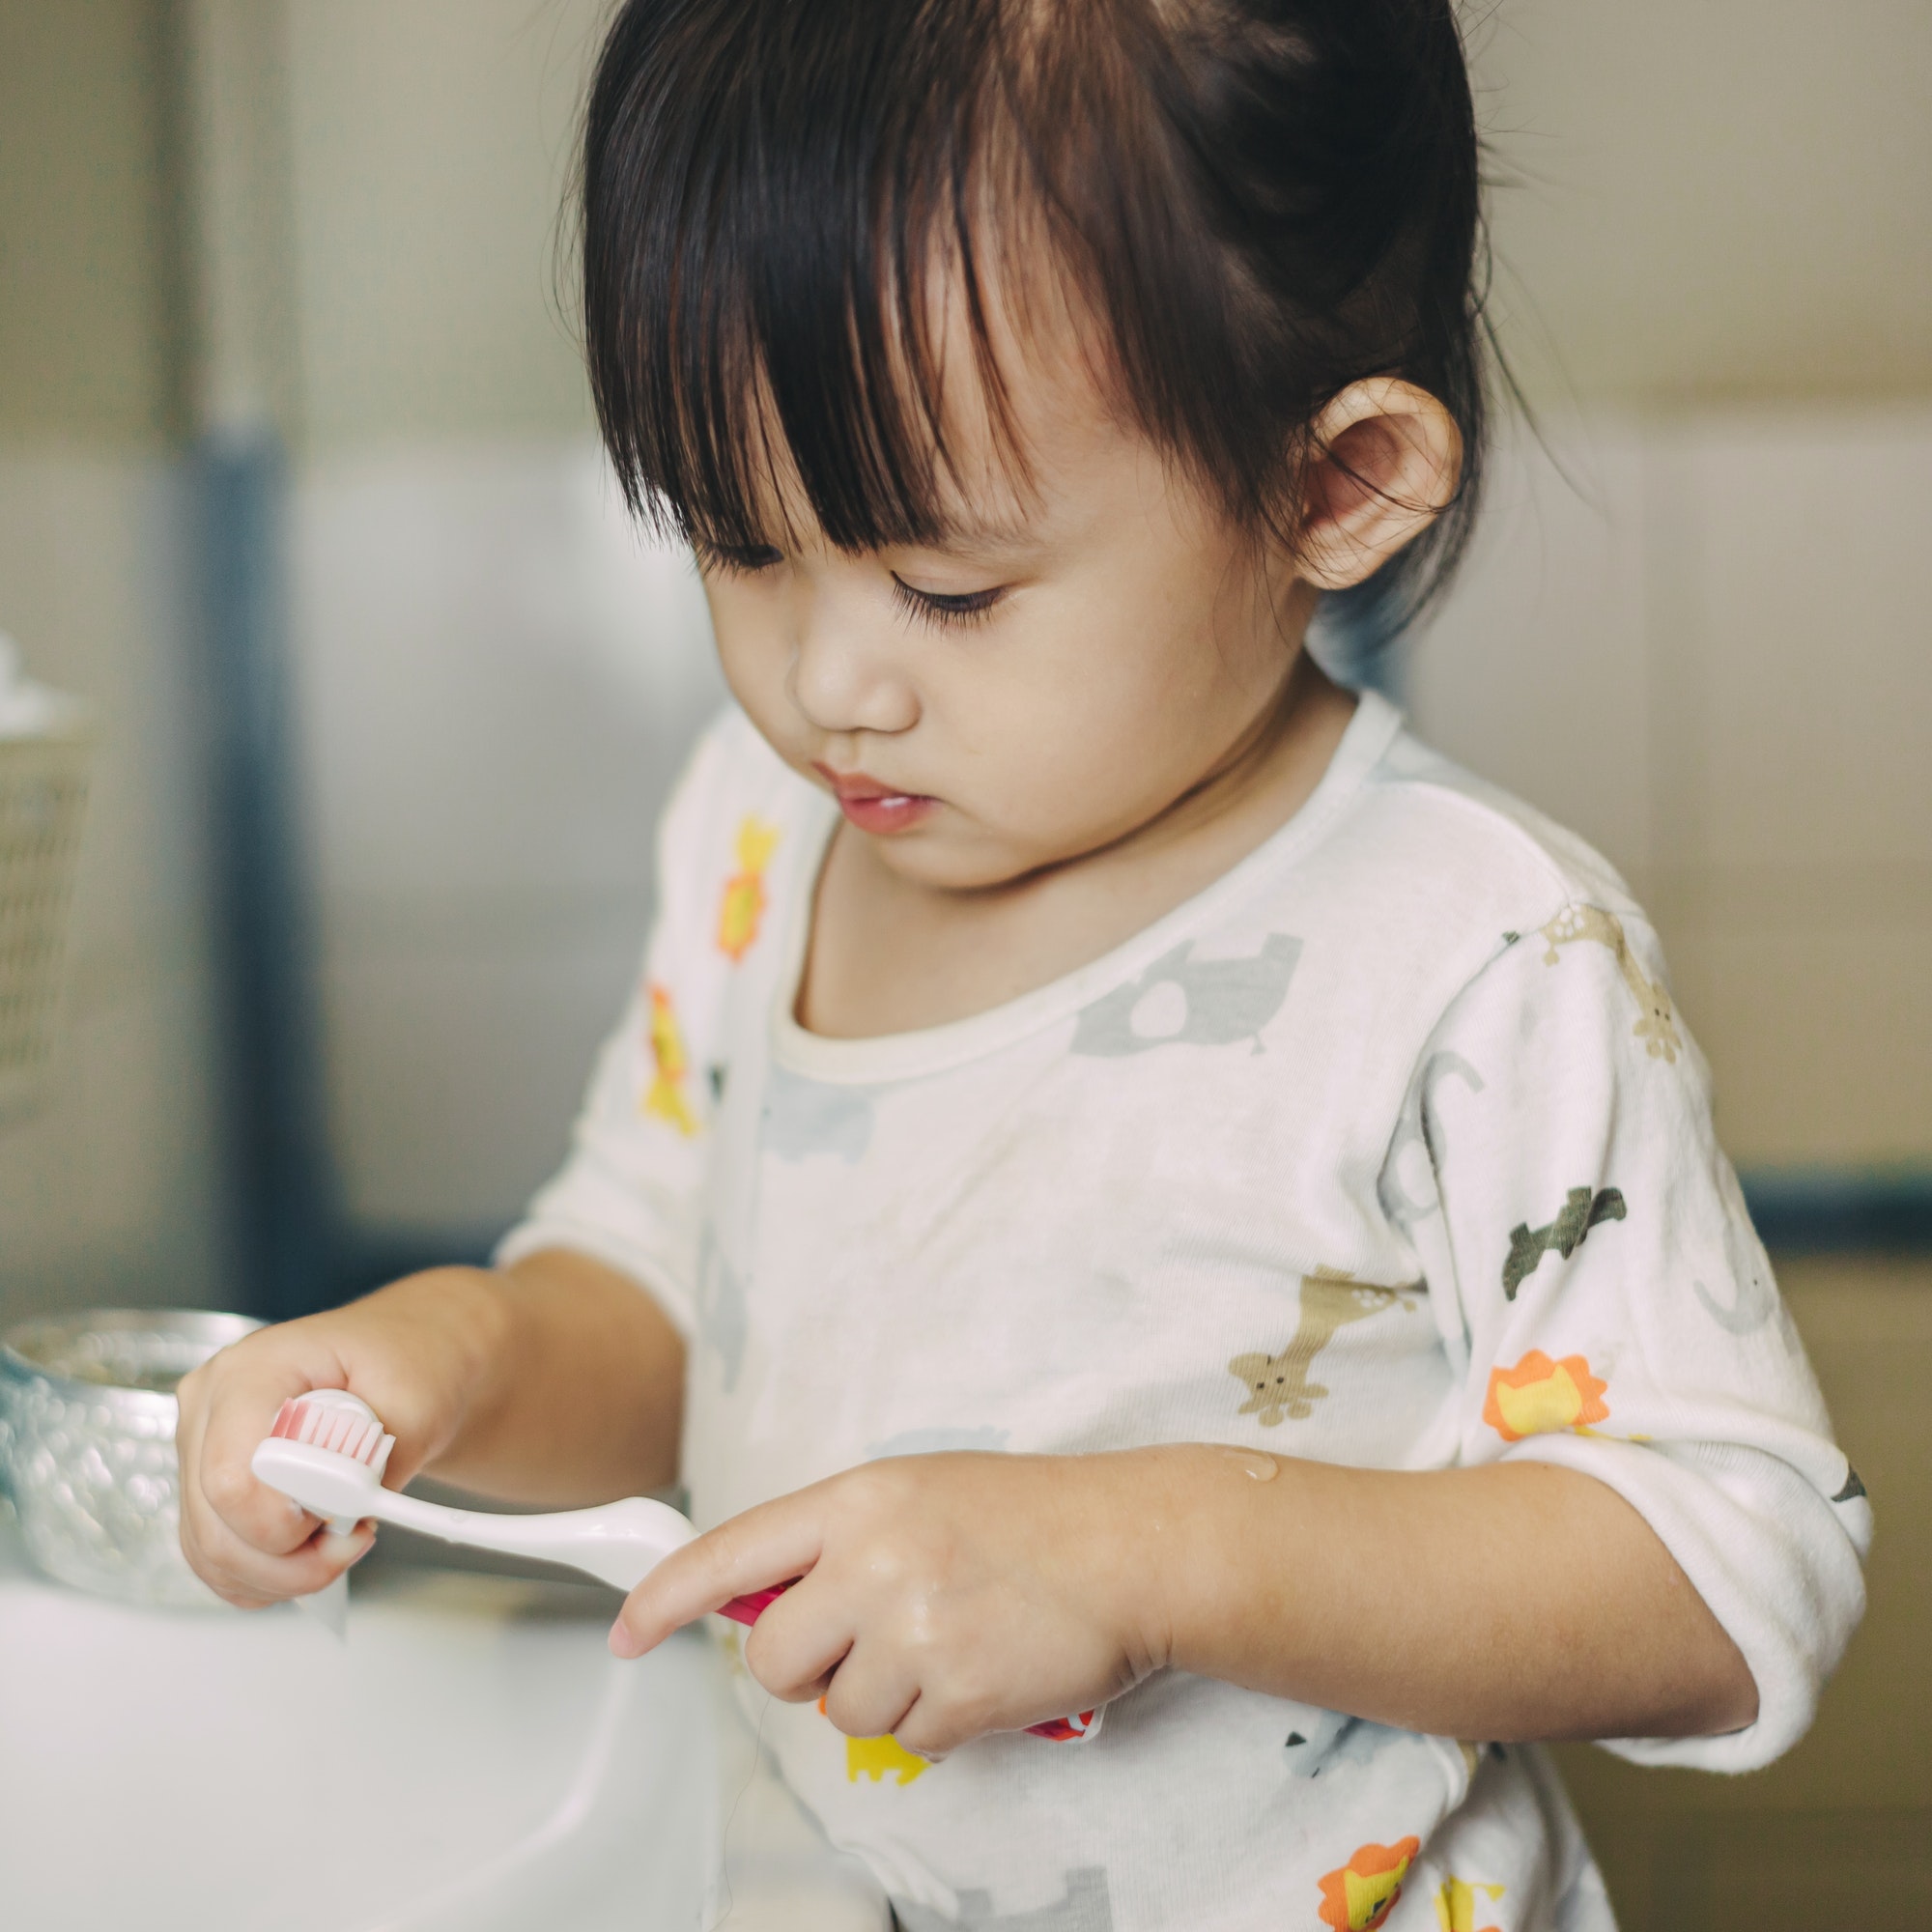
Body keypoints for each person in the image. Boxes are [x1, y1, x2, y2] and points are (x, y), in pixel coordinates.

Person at [176, 3, 1869, 1925]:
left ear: (1334, 487)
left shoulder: (1478, 954)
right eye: (737, 542)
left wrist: (1139, 1557)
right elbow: (654, 1281)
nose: (826, 684)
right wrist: (442, 1363)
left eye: (948, 587)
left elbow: (1730, 1569)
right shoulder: (757, 839)